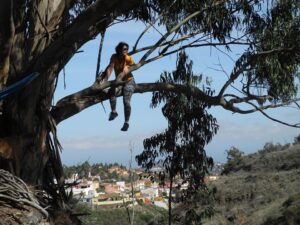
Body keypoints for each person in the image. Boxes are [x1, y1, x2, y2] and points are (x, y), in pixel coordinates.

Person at [101, 42, 135, 131]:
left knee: (126, 101)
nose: (126, 51)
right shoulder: (114, 57)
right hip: (119, 82)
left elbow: (134, 65)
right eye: (124, 49)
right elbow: (110, 68)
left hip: (129, 81)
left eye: (127, 49)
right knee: (112, 91)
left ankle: (126, 122)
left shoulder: (128, 58)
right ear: (119, 49)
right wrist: (105, 79)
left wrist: (127, 67)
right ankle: (114, 111)